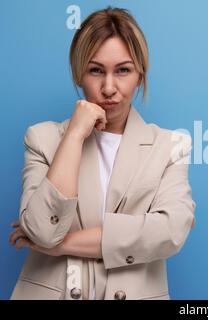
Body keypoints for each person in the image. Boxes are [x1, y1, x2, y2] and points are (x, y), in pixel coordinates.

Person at [8, 6, 196, 300]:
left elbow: (169, 232)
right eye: (96, 70)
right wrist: (73, 136)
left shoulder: (171, 146)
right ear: (79, 75)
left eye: (123, 70)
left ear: (140, 77)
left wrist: (61, 246)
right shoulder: (42, 138)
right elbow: (42, 231)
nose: (109, 88)